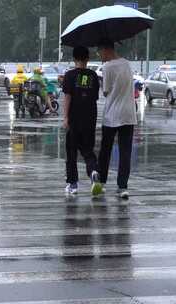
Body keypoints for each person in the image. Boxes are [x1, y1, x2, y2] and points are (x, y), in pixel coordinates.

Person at [97, 38, 137, 199]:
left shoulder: (107, 67)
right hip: (128, 114)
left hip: (112, 115)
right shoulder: (127, 64)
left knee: (105, 151)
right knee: (125, 151)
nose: (99, 55)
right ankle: (123, 187)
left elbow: (106, 91)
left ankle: (102, 183)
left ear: (106, 50)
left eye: (99, 51)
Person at [62, 46, 103, 196]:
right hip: (90, 118)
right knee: (88, 150)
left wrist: (65, 117)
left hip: (74, 119)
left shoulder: (69, 75)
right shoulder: (93, 75)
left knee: (71, 152)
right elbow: (94, 97)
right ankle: (93, 172)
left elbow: (67, 97)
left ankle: (73, 185)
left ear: (74, 59)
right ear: (88, 59)